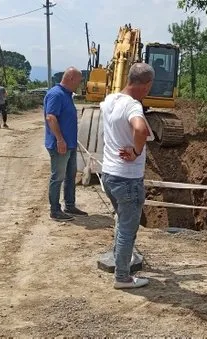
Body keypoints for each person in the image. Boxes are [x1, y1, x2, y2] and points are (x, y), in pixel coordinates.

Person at [100, 62, 156, 289]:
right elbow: (141, 130)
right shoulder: (133, 106)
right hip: (127, 178)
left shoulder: (110, 100)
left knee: (121, 221)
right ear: (146, 85)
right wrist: (135, 151)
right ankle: (122, 276)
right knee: (127, 227)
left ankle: (120, 259)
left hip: (110, 175)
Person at [44, 67, 88, 221]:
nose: (80, 83)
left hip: (69, 144)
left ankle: (70, 205)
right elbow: (51, 118)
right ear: (70, 78)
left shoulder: (67, 95)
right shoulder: (56, 94)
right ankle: (55, 210)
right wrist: (60, 140)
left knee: (71, 175)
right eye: (78, 80)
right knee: (58, 177)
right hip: (60, 145)